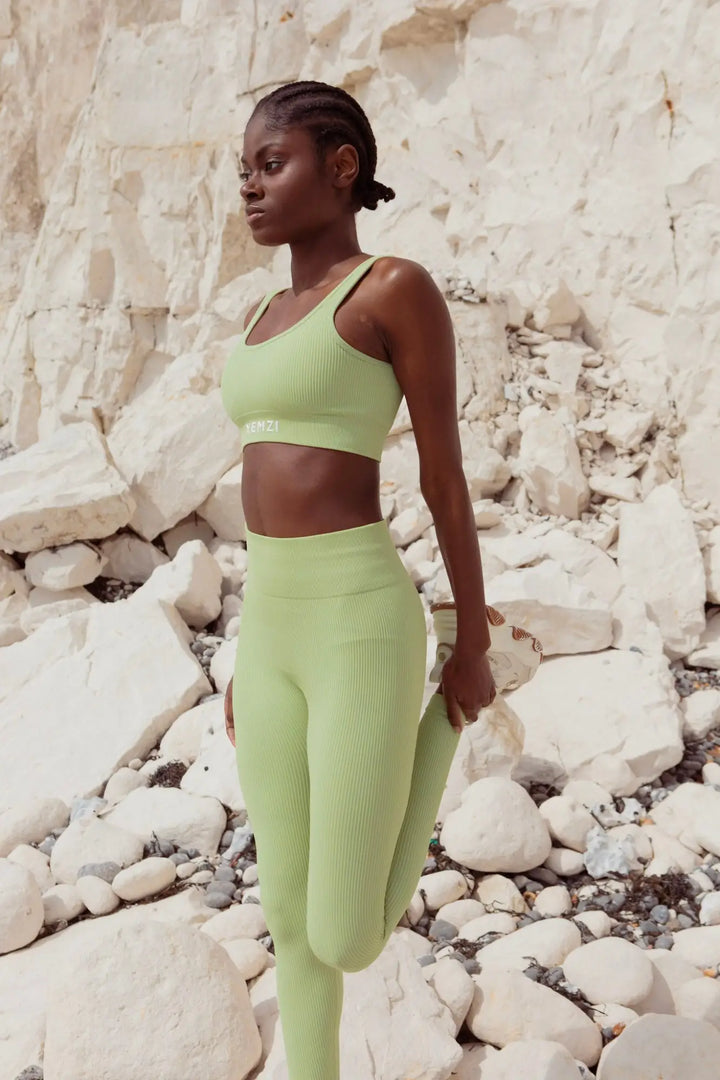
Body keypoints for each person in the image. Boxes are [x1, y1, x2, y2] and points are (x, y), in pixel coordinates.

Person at [219, 79, 496, 1080]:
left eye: (271, 163)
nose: (250, 188)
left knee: (347, 935)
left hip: (359, 623)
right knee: (287, 918)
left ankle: (445, 724)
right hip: (274, 626)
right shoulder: (260, 314)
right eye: (243, 170)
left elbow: (443, 474)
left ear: (340, 168)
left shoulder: (392, 289)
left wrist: (470, 641)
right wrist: (245, 654)